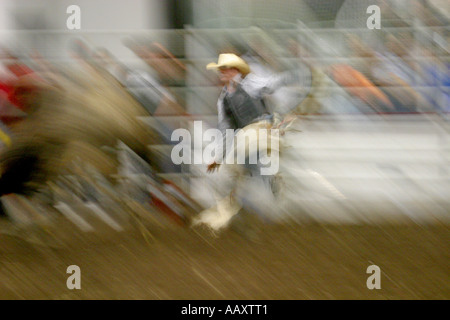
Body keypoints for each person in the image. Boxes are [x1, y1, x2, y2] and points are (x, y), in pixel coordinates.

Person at [193, 53, 284, 235]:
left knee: (247, 170)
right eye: (221, 69)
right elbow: (225, 128)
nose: (222, 72)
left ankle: (261, 200)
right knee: (240, 175)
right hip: (247, 139)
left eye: (226, 69)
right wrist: (218, 157)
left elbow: (273, 84)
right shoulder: (224, 100)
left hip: (261, 132)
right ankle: (255, 212)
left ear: (236, 71)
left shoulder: (250, 85)